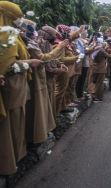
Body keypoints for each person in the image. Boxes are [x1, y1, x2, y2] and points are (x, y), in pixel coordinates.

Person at [0, 1, 43, 175]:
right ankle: (10, 162)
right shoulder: (7, 35)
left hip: (16, 86)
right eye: (16, 18)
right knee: (11, 126)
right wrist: (30, 63)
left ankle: (16, 156)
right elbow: (8, 67)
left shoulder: (12, 34)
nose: (20, 22)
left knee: (16, 124)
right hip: (11, 88)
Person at [23, 19, 68, 144]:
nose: (53, 39)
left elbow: (51, 59)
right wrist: (60, 47)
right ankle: (38, 135)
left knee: (46, 105)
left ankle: (47, 129)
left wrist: (59, 64)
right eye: (52, 36)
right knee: (39, 107)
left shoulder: (40, 42)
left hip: (44, 79)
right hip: (39, 80)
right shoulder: (37, 43)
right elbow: (45, 59)